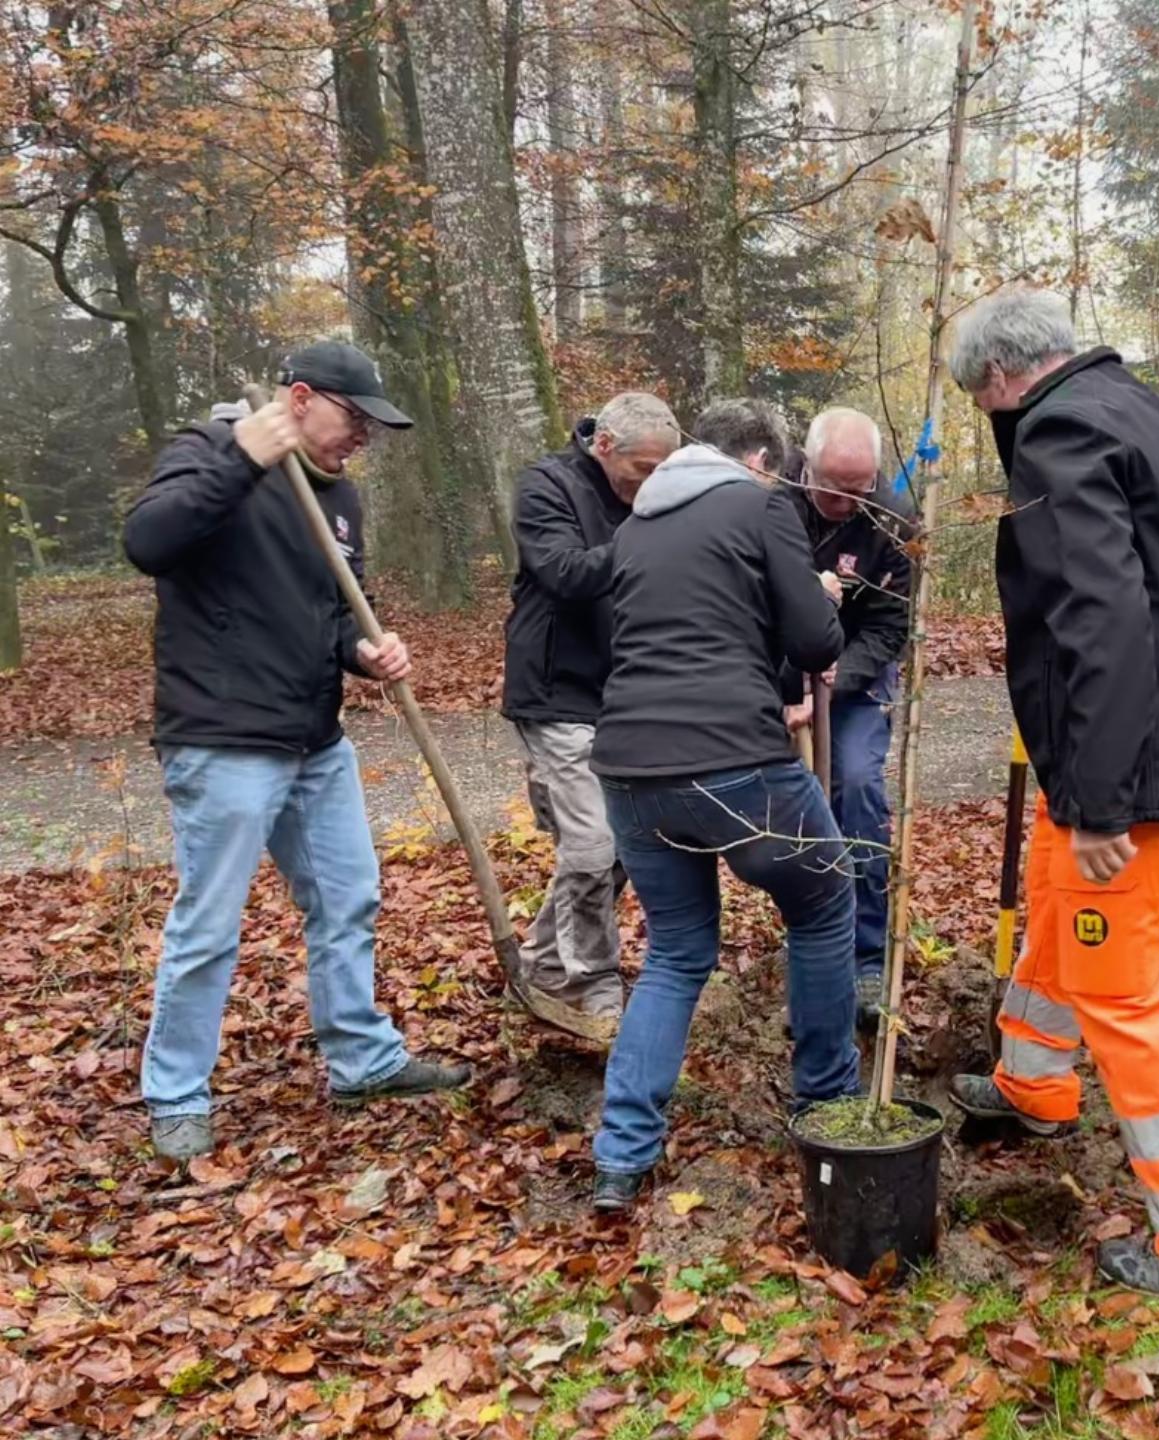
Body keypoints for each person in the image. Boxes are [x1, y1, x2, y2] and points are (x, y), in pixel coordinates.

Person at [944, 288, 1159, 1306]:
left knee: (1123, 990)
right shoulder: (1143, 412)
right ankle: (1032, 1080)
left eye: (981, 403)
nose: (989, 418)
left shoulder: (1062, 434)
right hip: (1147, 740)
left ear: (999, 378)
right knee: (1055, 904)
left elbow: (1101, 617)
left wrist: (1100, 801)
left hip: (1127, 764)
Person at [123, 340, 472, 1162]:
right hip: (224, 736)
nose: (365, 437)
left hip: (315, 737)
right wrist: (243, 459)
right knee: (210, 923)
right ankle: (176, 1094)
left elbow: (338, 608)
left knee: (348, 897)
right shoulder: (210, 450)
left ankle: (362, 1060)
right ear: (303, 398)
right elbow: (147, 543)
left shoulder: (339, 497)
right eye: (356, 418)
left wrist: (365, 650)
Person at [589, 398, 860, 1209]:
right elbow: (813, 642)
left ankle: (621, 1156)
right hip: (733, 763)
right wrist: (823, 602)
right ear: (762, 463)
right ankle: (828, 1102)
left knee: (676, 953)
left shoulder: (636, 524)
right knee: (823, 904)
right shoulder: (759, 505)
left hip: (629, 770)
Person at [502, 392, 680, 1029]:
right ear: (604, 446)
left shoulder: (647, 498)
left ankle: (545, 965)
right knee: (592, 842)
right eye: (644, 470)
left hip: (625, 691)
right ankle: (590, 983)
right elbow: (565, 573)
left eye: (664, 472)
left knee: (625, 842)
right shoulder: (547, 486)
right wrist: (651, 536)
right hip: (556, 690)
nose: (652, 485)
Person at [779, 408, 915, 1022]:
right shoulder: (771, 501)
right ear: (806, 465)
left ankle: (865, 957)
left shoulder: (893, 521)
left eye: (859, 490)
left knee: (856, 786)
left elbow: (889, 625)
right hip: (780, 672)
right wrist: (789, 684)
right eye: (833, 488)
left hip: (855, 673)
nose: (845, 503)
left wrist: (839, 677)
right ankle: (810, 953)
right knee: (793, 810)